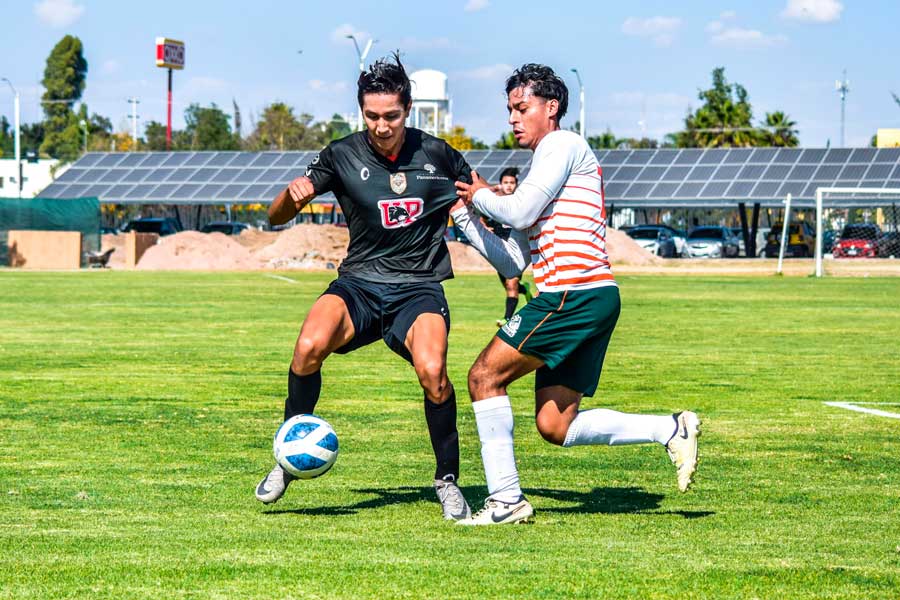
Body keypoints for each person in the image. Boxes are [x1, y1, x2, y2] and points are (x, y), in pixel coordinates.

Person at [451, 63, 700, 525]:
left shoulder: (562, 144)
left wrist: (481, 194)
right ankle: (670, 429)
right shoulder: (543, 164)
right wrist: (465, 216)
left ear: (552, 107)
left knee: (484, 376)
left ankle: (505, 501)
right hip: (588, 296)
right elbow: (513, 263)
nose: (512, 118)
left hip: (574, 294)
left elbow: (520, 212)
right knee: (554, 426)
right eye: (509, 109)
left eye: (521, 108)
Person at [256, 53, 472, 521]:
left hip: (418, 289)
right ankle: (289, 455)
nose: (380, 125)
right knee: (307, 347)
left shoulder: (438, 155)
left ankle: (448, 480)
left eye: (390, 115)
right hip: (358, 285)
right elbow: (273, 218)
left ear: (408, 109)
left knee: (433, 373)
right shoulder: (341, 154)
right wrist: (288, 199)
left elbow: (486, 197)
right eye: (371, 116)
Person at [482, 167, 533, 327]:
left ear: (517, 185)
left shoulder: (520, 201)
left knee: (511, 284)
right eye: (505, 183)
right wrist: (485, 228)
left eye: (512, 183)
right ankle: (524, 289)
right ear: (500, 184)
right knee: (508, 284)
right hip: (500, 249)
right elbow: (478, 201)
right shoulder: (494, 201)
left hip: (516, 250)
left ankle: (507, 319)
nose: (509, 185)